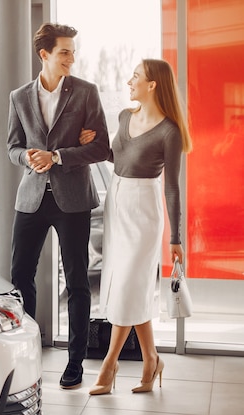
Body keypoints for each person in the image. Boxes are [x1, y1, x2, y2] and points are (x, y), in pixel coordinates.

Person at [7, 22, 111, 390]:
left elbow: (101, 148)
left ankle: (76, 362)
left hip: (73, 200)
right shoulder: (19, 97)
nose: (71, 57)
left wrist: (58, 156)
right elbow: (12, 147)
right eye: (64, 51)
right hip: (32, 199)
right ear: (44, 55)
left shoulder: (85, 93)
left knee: (79, 281)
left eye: (72, 51)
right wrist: (28, 158)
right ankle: (26, 354)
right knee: (20, 278)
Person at [88, 58, 193, 396]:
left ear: (153, 85)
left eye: (136, 76)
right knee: (128, 286)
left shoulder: (170, 131)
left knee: (129, 284)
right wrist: (94, 143)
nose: (129, 80)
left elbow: (173, 187)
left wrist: (176, 238)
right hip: (116, 202)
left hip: (144, 209)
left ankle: (110, 362)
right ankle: (151, 359)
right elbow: (120, 158)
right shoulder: (124, 117)